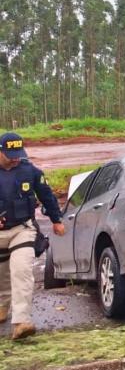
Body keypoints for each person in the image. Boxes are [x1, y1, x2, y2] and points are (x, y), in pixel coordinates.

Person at [0, 132, 64, 340]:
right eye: (10, 154)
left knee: (22, 271)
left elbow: (46, 195)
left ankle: (21, 321)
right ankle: (3, 304)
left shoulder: (29, 171)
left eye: (18, 153)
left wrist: (56, 220)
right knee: (3, 276)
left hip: (22, 229)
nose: (15, 157)